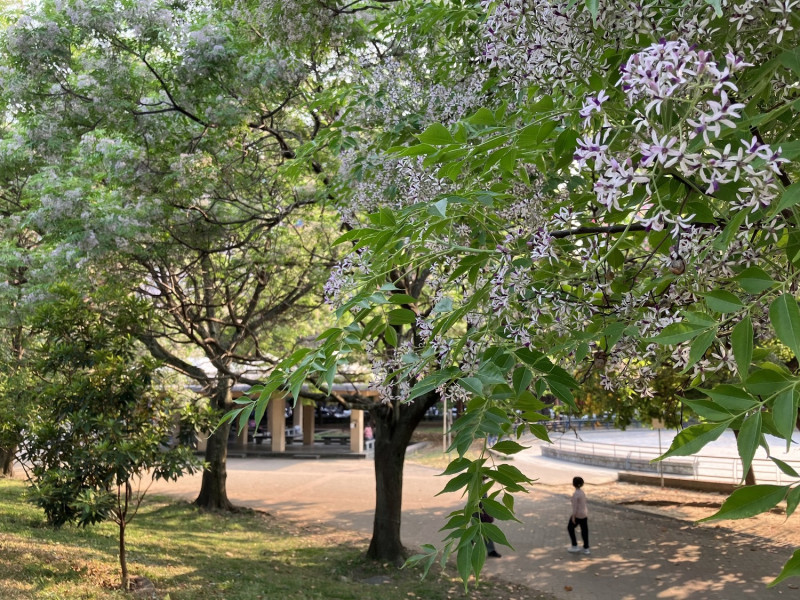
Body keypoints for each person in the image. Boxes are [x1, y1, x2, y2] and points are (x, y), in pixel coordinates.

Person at [567, 476, 590, 555]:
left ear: (573, 484)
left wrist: (573, 517)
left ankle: (574, 545)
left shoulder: (575, 494)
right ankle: (586, 548)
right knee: (584, 531)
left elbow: (575, 507)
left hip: (578, 515)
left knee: (570, 528)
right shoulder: (582, 492)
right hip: (584, 514)